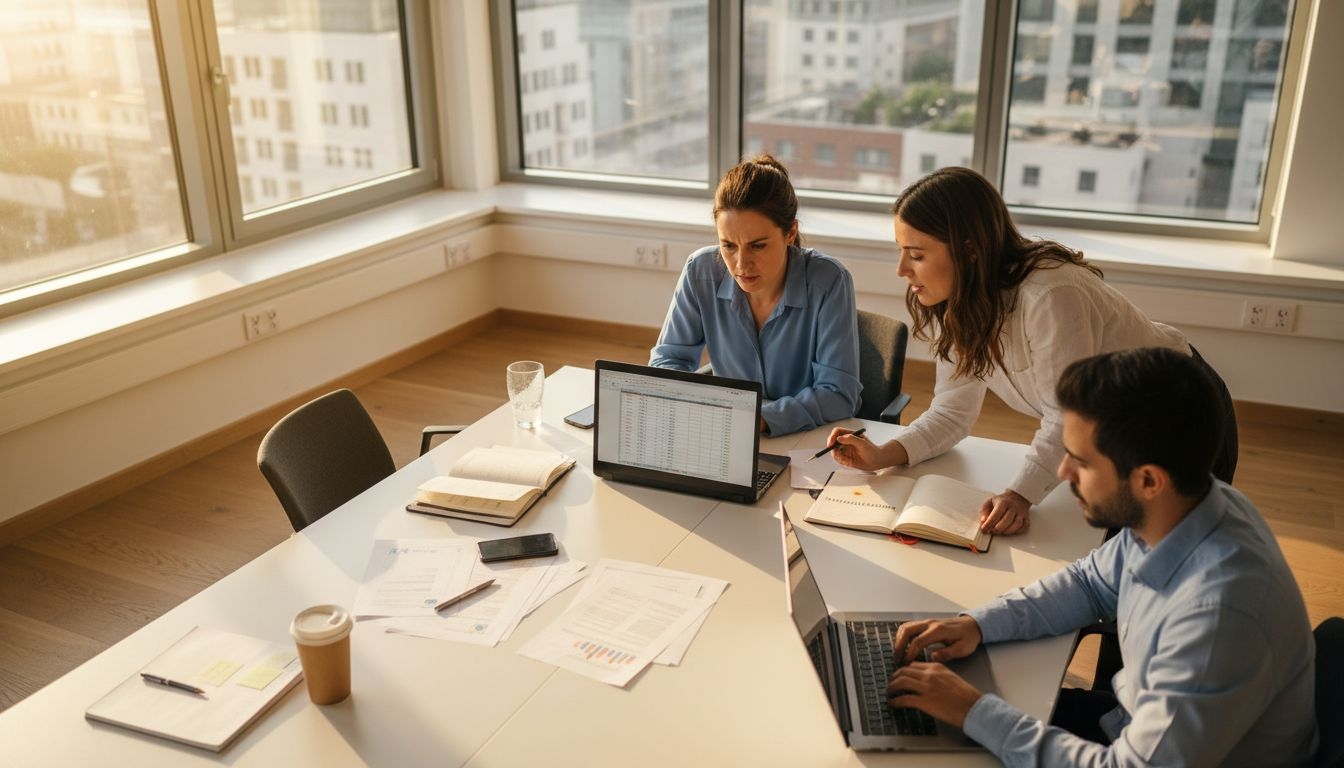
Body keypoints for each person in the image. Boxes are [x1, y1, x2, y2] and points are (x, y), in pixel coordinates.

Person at [882, 347, 1317, 767]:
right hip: (1128, 722)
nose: (1063, 473)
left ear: (1148, 480)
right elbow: (1090, 583)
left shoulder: (1217, 619)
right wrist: (975, 624)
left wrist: (974, 711)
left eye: (1081, 461)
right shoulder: (1188, 504)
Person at [827, 167, 1237, 535]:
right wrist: (883, 454)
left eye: (916, 255)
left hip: (1177, 416)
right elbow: (952, 411)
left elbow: (1066, 414)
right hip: (1111, 427)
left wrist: (1019, 494)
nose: (901, 270)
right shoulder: (959, 301)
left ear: (970, 251)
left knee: (1158, 561)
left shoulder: (1049, 295)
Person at [650, 155, 861, 436]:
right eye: (728, 245)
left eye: (758, 246)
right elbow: (668, 361)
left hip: (806, 438)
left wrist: (759, 420)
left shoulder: (829, 281)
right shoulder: (700, 271)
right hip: (727, 435)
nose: (740, 265)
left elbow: (839, 395)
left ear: (790, 233)